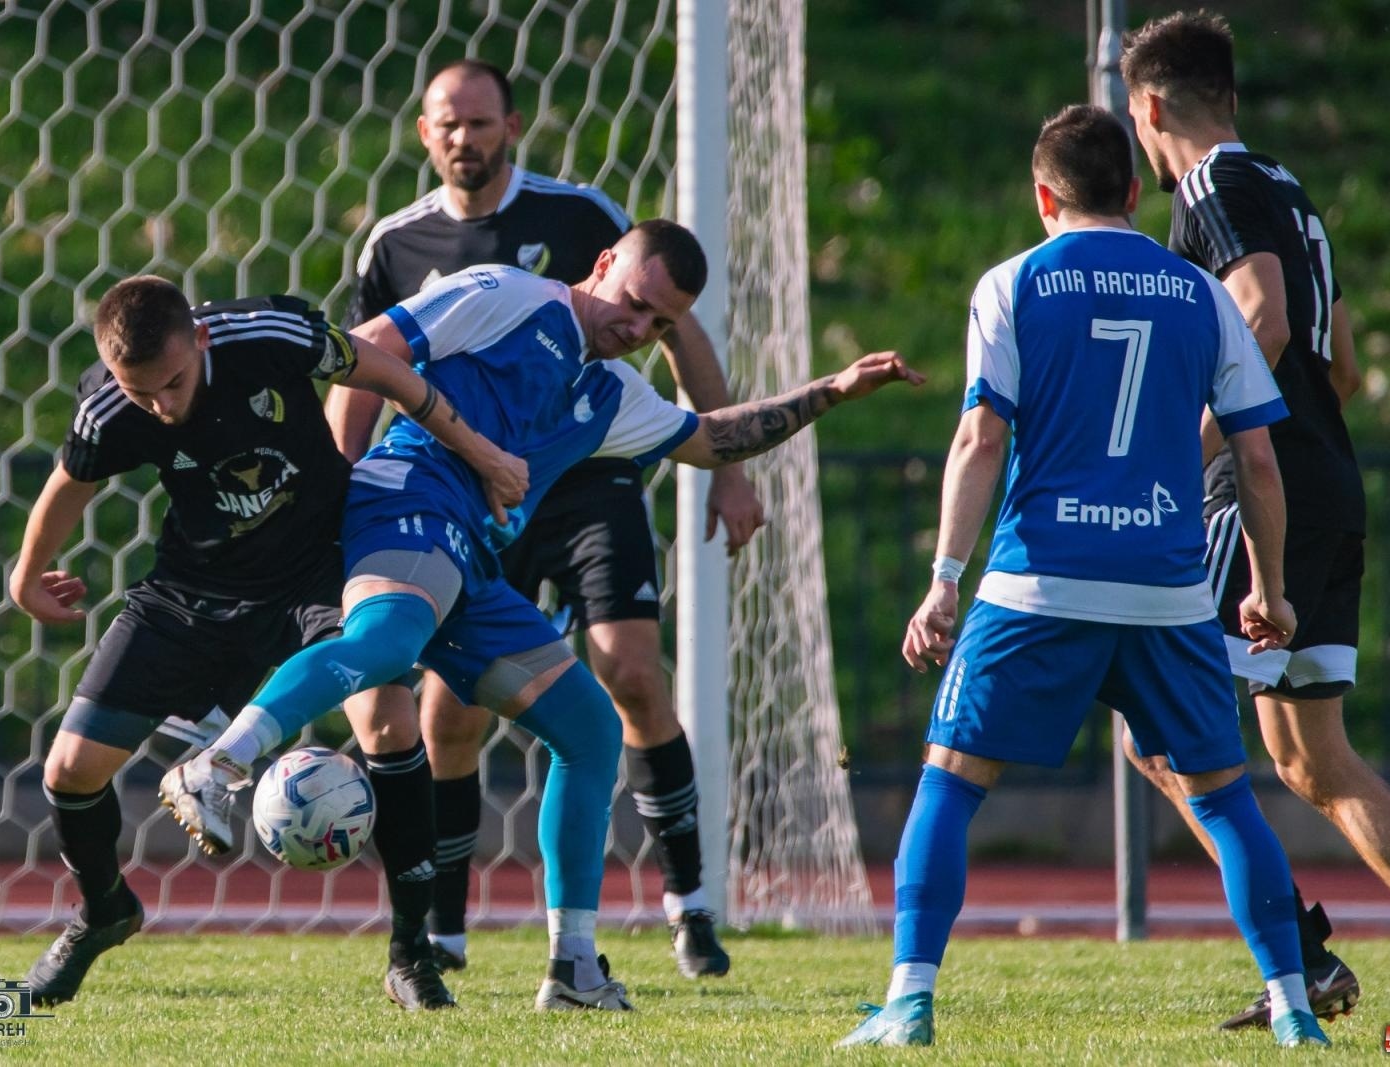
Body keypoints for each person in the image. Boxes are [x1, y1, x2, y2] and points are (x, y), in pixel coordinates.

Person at [159, 220, 922, 1012]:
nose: (638, 329)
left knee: (590, 730)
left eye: (659, 324)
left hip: (472, 567)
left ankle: (574, 967)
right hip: (406, 496)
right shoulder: (508, 294)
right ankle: (217, 763)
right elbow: (369, 346)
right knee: (386, 643)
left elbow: (710, 439)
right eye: (633, 303)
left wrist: (830, 391)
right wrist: (335, 482)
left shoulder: (615, 396)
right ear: (602, 264)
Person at [838, 105, 1328, 1049]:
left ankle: (908, 1002)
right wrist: (1267, 588)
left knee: (951, 781)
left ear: (1042, 195)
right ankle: (1297, 1010)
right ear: (1135, 193)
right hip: (1167, 589)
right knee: (1224, 797)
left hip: (1038, 585)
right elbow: (1259, 464)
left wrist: (944, 577)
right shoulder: (1200, 294)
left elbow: (982, 437)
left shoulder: (1013, 283)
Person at [1120, 11, 1390, 1035]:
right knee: (1309, 754)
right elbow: (1339, 364)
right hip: (1329, 480)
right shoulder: (1292, 193)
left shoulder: (1210, 188)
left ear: (1149, 108)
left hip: (1264, 488)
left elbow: (1255, 314)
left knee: (1157, 729)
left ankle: (1296, 957)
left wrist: (1197, 440)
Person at [343, 59, 763, 979]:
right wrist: (348, 484)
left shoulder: (580, 217)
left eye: (481, 122)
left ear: (511, 126)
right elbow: (365, 365)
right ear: (424, 132)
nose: (466, 139)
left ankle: (690, 906)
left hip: (584, 479)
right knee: (447, 708)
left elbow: (674, 323)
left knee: (632, 673)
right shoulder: (395, 243)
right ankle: (445, 930)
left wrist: (729, 472)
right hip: (472, 492)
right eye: (448, 124)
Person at [9, 275, 515, 1008]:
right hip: (196, 587)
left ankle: (412, 952)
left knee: (390, 720)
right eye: (142, 392)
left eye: (174, 384)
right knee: (69, 769)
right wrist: (26, 577)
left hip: (325, 563)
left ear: (202, 339)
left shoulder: (271, 337)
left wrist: (481, 455)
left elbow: (390, 372)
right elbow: (69, 483)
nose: (162, 405)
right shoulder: (111, 405)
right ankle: (104, 911)